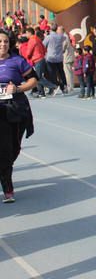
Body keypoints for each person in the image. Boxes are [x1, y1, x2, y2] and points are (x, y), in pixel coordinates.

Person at [0, 29, 38, 203]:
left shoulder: (17, 61)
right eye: (0, 42)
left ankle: (4, 170)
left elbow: (33, 80)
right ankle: (7, 187)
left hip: (15, 109)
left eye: (6, 41)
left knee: (13, 149)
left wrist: (17, 89)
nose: (3, 45)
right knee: (5, 150)